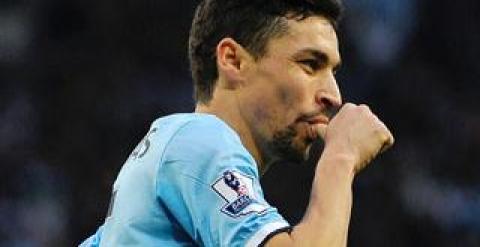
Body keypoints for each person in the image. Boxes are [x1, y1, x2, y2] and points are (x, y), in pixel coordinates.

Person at [80, 0, 394, 246]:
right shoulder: (199, 141)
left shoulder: (169, 162)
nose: (334, 96)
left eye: (333, 72)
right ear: (233, 60)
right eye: (310, 64)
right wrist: (342, 158)